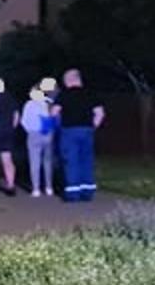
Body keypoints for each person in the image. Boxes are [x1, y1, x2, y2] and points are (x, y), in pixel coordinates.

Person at [52, 68, 106, 202]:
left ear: (68, 80)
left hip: (69, 131)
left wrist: (57, 122)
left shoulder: (64, 95)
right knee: (86, 160)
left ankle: (73, 193)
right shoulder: (90, 94)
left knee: (71, 161)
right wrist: (93, 126)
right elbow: (100, 113)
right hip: (87, 130)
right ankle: (87, 191)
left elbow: (54, 112)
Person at [22, 82, 57, 198]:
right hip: (49, 134)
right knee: (48, 161)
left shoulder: (29, 104)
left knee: (34, 161)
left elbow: (24, 121)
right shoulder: (49, 103)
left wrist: (29, 130)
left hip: (33, 134)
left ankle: (36, 189)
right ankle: (49, 187)